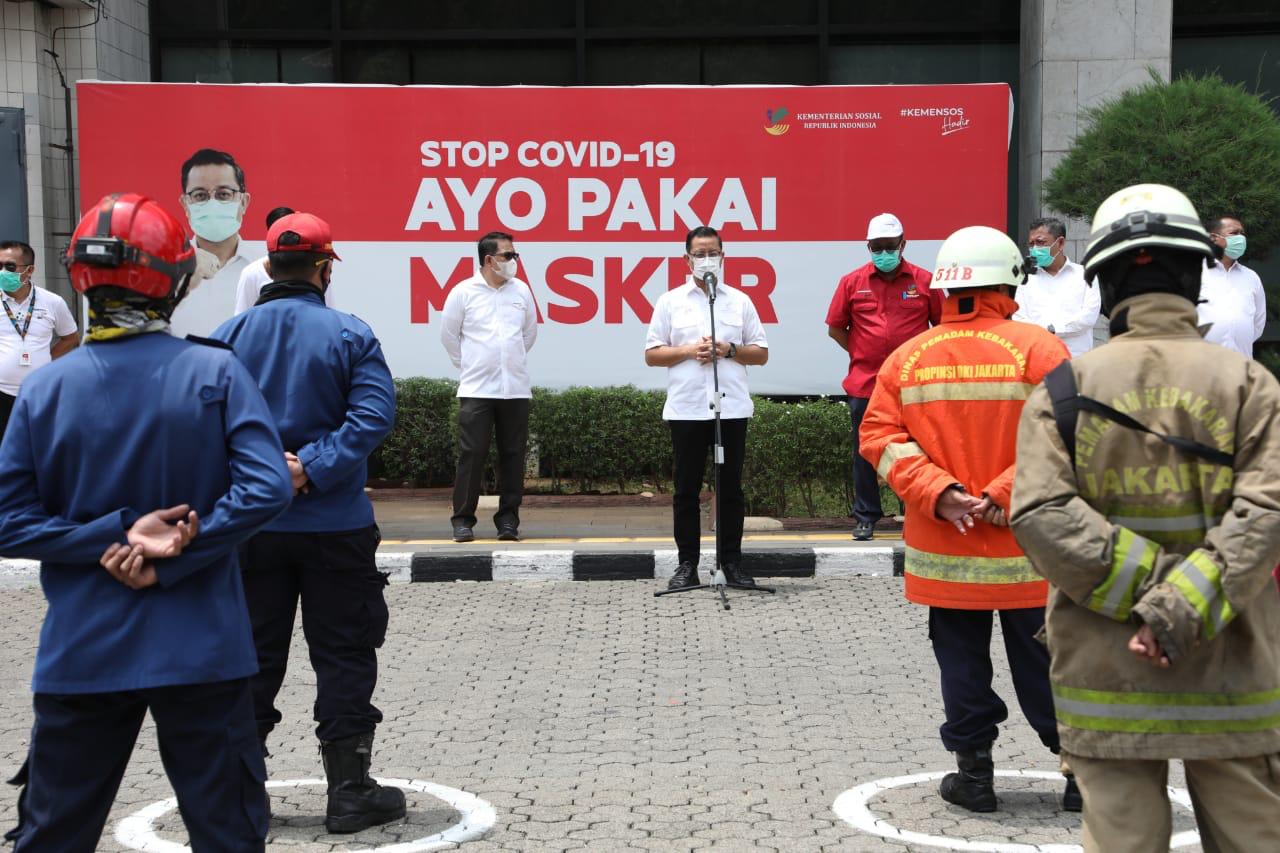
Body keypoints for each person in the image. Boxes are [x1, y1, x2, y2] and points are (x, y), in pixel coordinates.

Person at [0, 192, 292, 851]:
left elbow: (8, 519)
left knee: (53, 834)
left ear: (79, 277)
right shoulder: (214, 372)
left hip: (83, 652)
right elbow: (268, 487)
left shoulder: (45, 388)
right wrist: (176, 548)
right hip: (204, 651)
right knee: (228, 834)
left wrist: (111, 535)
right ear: (176, 279)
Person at [1011, 184, 1280, 852]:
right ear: (1194, 276)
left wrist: (1151, 597)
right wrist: (1179, 604)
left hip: (1108, 677)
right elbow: (1266, 511)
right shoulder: (1251, 386)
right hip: (1232, 674)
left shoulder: (1065, 391)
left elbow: (1041, 512)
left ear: (1101, 286)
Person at [860, 226, 1076, 813]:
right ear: (1010, 280)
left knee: (961, 665)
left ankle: (975, 778)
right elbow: (1069, 432)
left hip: (946, 550)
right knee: (1050, 665)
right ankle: (1084, 779)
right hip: (1029, 549)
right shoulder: (1039, 348)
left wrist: (943, 492)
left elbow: (878, 435)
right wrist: (1003, 491)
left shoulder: (909, 357)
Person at [210, 211, 403, 834]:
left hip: (250, 528)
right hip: (335, 527)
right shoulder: (350, 333)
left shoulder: (228, 336)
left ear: (269, 266)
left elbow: (203, 424)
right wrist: (310, 467)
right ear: (324, 269)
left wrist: (269, 471)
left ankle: (244, 797)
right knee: (344, 654)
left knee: (250, 658)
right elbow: (373, 417)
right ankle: (349, 793)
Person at [645, 225, 769, 591]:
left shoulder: (739, 301)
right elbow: (652, 354)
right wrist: (687, 351)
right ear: (686, 259)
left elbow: (761, 353)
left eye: (712, 252)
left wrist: (729, 349)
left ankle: (732, 563)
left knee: (730, 490)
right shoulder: (670, 301)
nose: (706, 259)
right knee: (685, 490)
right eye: (699, 254)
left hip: (730, 410)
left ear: (723, 256)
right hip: (686, 409)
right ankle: (687, 566)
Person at [826, 213, 941, 540]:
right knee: (865, 450)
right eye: (878, 247)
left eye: (890, 246)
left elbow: (943, 328)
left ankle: (917, 514)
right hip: (866, 382)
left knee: (920, 448)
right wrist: (861, 352)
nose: (884, 252)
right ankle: (865, 516)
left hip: (913, 384)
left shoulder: (923, 281)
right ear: (869, 246)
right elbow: (836, 328)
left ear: (903, 244)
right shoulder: (852, 282)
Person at [440, 231, 538, 543]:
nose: (514, 261)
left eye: (514, 255)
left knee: (513, 455)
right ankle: (462, 520)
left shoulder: (521, 291)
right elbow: (449, 337)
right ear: (489, 259)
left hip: (515, 389)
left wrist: (508, 361)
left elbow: (528, 334)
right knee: (472, 454)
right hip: (476, 390)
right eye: (508, 256)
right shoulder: (463, 292)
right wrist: (470, 366)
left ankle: (508, 521)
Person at [171, 148, 254, 338]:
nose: (212, 203)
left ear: (243, 202)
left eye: (223, 194)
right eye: (200, 195)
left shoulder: (267, 271)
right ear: (185, 204)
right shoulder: (165, 273)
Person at [0, 241, 79, 434]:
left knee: (37, 450)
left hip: (40, 393)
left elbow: (71, 338)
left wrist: (47, 360)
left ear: (29, 270)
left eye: (9, 266)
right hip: (1, 394)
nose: (3, 272)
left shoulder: (52, 302)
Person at [1013, 217, 1101, 357]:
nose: (1035, 249)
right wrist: (1050, 330)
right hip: (1038, 360)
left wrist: (1053, 329)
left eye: (1040, 242)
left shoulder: (1084, 275)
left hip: (1076, 361)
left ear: (1060, 243)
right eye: (1031, 244)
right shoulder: (1027, 278)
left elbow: (1088, 318)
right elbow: (1019, 318)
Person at [233, 206, 338, 314]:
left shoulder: (319, 268)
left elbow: (329, 309)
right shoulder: (252, 272)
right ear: (269, 269)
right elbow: (242, 314)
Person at [1198, 215, 1266, 358]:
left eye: (1242, 233)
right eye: (1234, 233)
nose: (1240, 238)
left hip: (1241, 367)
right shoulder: (1195, 273)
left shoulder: (1251, 277)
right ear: (1213, 238)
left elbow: (1257, 325)